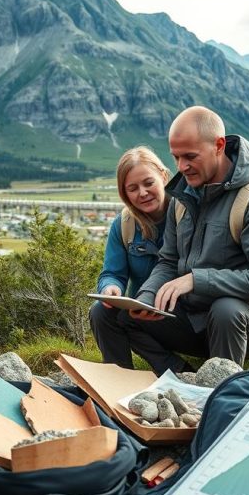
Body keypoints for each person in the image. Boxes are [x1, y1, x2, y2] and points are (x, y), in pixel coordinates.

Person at [118, 106, 249, 374]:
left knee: (226, 310)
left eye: (190, 156)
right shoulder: (182, 197)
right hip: (195, 320)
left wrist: (196, 279)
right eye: (176, 157)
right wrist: (146, 297)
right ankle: (181, 376)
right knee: (124, 316)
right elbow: (168, 260)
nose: (181, 167)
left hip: (246, 322)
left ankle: (226, 388)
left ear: (219, 145)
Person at [89, 146, 172, 368]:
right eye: (132, 188)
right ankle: (120, 376)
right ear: (124, 193)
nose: (142, 193)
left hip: (182, 314)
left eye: (148, 183)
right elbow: (112, 272)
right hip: (142, 313)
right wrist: (109, 288)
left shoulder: (187, 214)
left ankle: (176, 370)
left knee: (126, 320)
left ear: (163, 176)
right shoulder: (124, 225)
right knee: (100, 311)